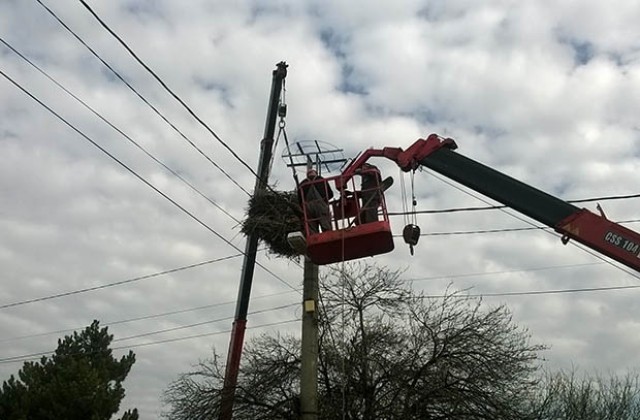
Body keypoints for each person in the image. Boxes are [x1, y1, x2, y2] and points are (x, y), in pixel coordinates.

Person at [299, 168, 334, 234]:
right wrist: (324, 201)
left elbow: (300, 199)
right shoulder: (321, 179)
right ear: (316, 173)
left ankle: (314, 238)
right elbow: (330, 194)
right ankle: (328, 236)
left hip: (308, 207)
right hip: (320, 204)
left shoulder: (302, 183)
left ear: (307, 175)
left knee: (312, 227)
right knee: (325, 224)